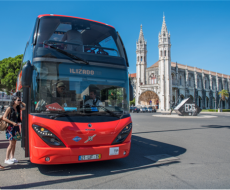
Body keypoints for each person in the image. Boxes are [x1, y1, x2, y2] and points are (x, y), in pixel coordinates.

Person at [3, 96, 26, 165]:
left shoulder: (18, 108)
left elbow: (26, 107)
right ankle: (6, 159)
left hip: (16, 128)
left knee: (14, 143)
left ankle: (12, 157)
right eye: (18, 100)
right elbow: (4, 118)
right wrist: (12, 122)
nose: (19, 101)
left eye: (19, 100)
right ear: (14, 101)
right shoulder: (9, 108)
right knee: (11, 143)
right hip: (10, 128)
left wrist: (21, 102)